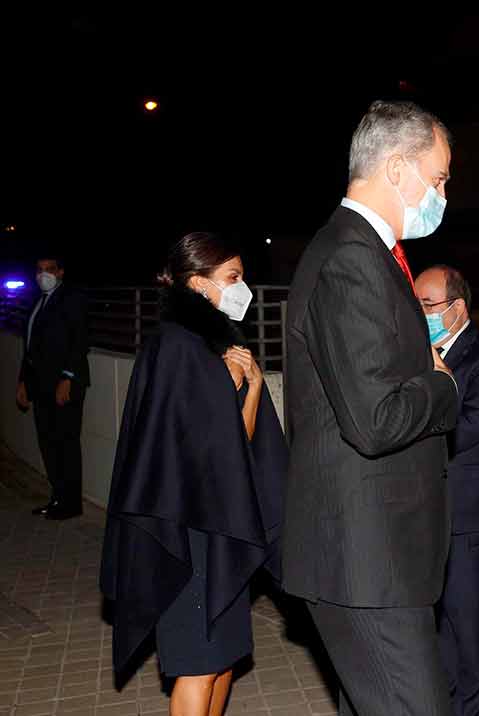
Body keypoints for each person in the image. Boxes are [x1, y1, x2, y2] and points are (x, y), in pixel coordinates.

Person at [282, 100, 459, 716]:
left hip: (374, 558)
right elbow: (374, 419)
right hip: (367, 560)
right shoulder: (352, 257)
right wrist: (441, 384)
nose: (442, 194)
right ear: (395, 167)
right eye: (437, 178)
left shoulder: (362, 251)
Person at [100, 232, 287, 716]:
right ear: (200, 284)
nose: (242, 287)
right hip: (185, 533)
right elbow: (177, 452)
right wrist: (225, 382)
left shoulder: (219, 343)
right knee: (197, 664)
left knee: (223, 660)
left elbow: (236, 447)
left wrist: (249, 389)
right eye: (233, 277)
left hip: (223, 528)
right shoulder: (175, 346)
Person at [415, 265, 479, 716]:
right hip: (423, 511)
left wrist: (437, 384)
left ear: (457, 308)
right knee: (435, 626)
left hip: (469, 513)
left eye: (428, 304)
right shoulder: (413, 352)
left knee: (470, 626)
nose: (420, 312)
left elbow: (471, 427)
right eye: (414, 303)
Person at [16, 254, 90, 520]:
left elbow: (79, 340)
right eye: (38, 270)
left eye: (48, 269)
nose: (42, 274)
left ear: (60, 272)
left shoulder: (72, 298)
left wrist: (67, 377)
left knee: (65, 443)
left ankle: (71, 504)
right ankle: (58, 497)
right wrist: (22, 381)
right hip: (40, 385)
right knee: (48, 443)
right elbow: (30, 347)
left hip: (64, 384)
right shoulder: (38, 301)